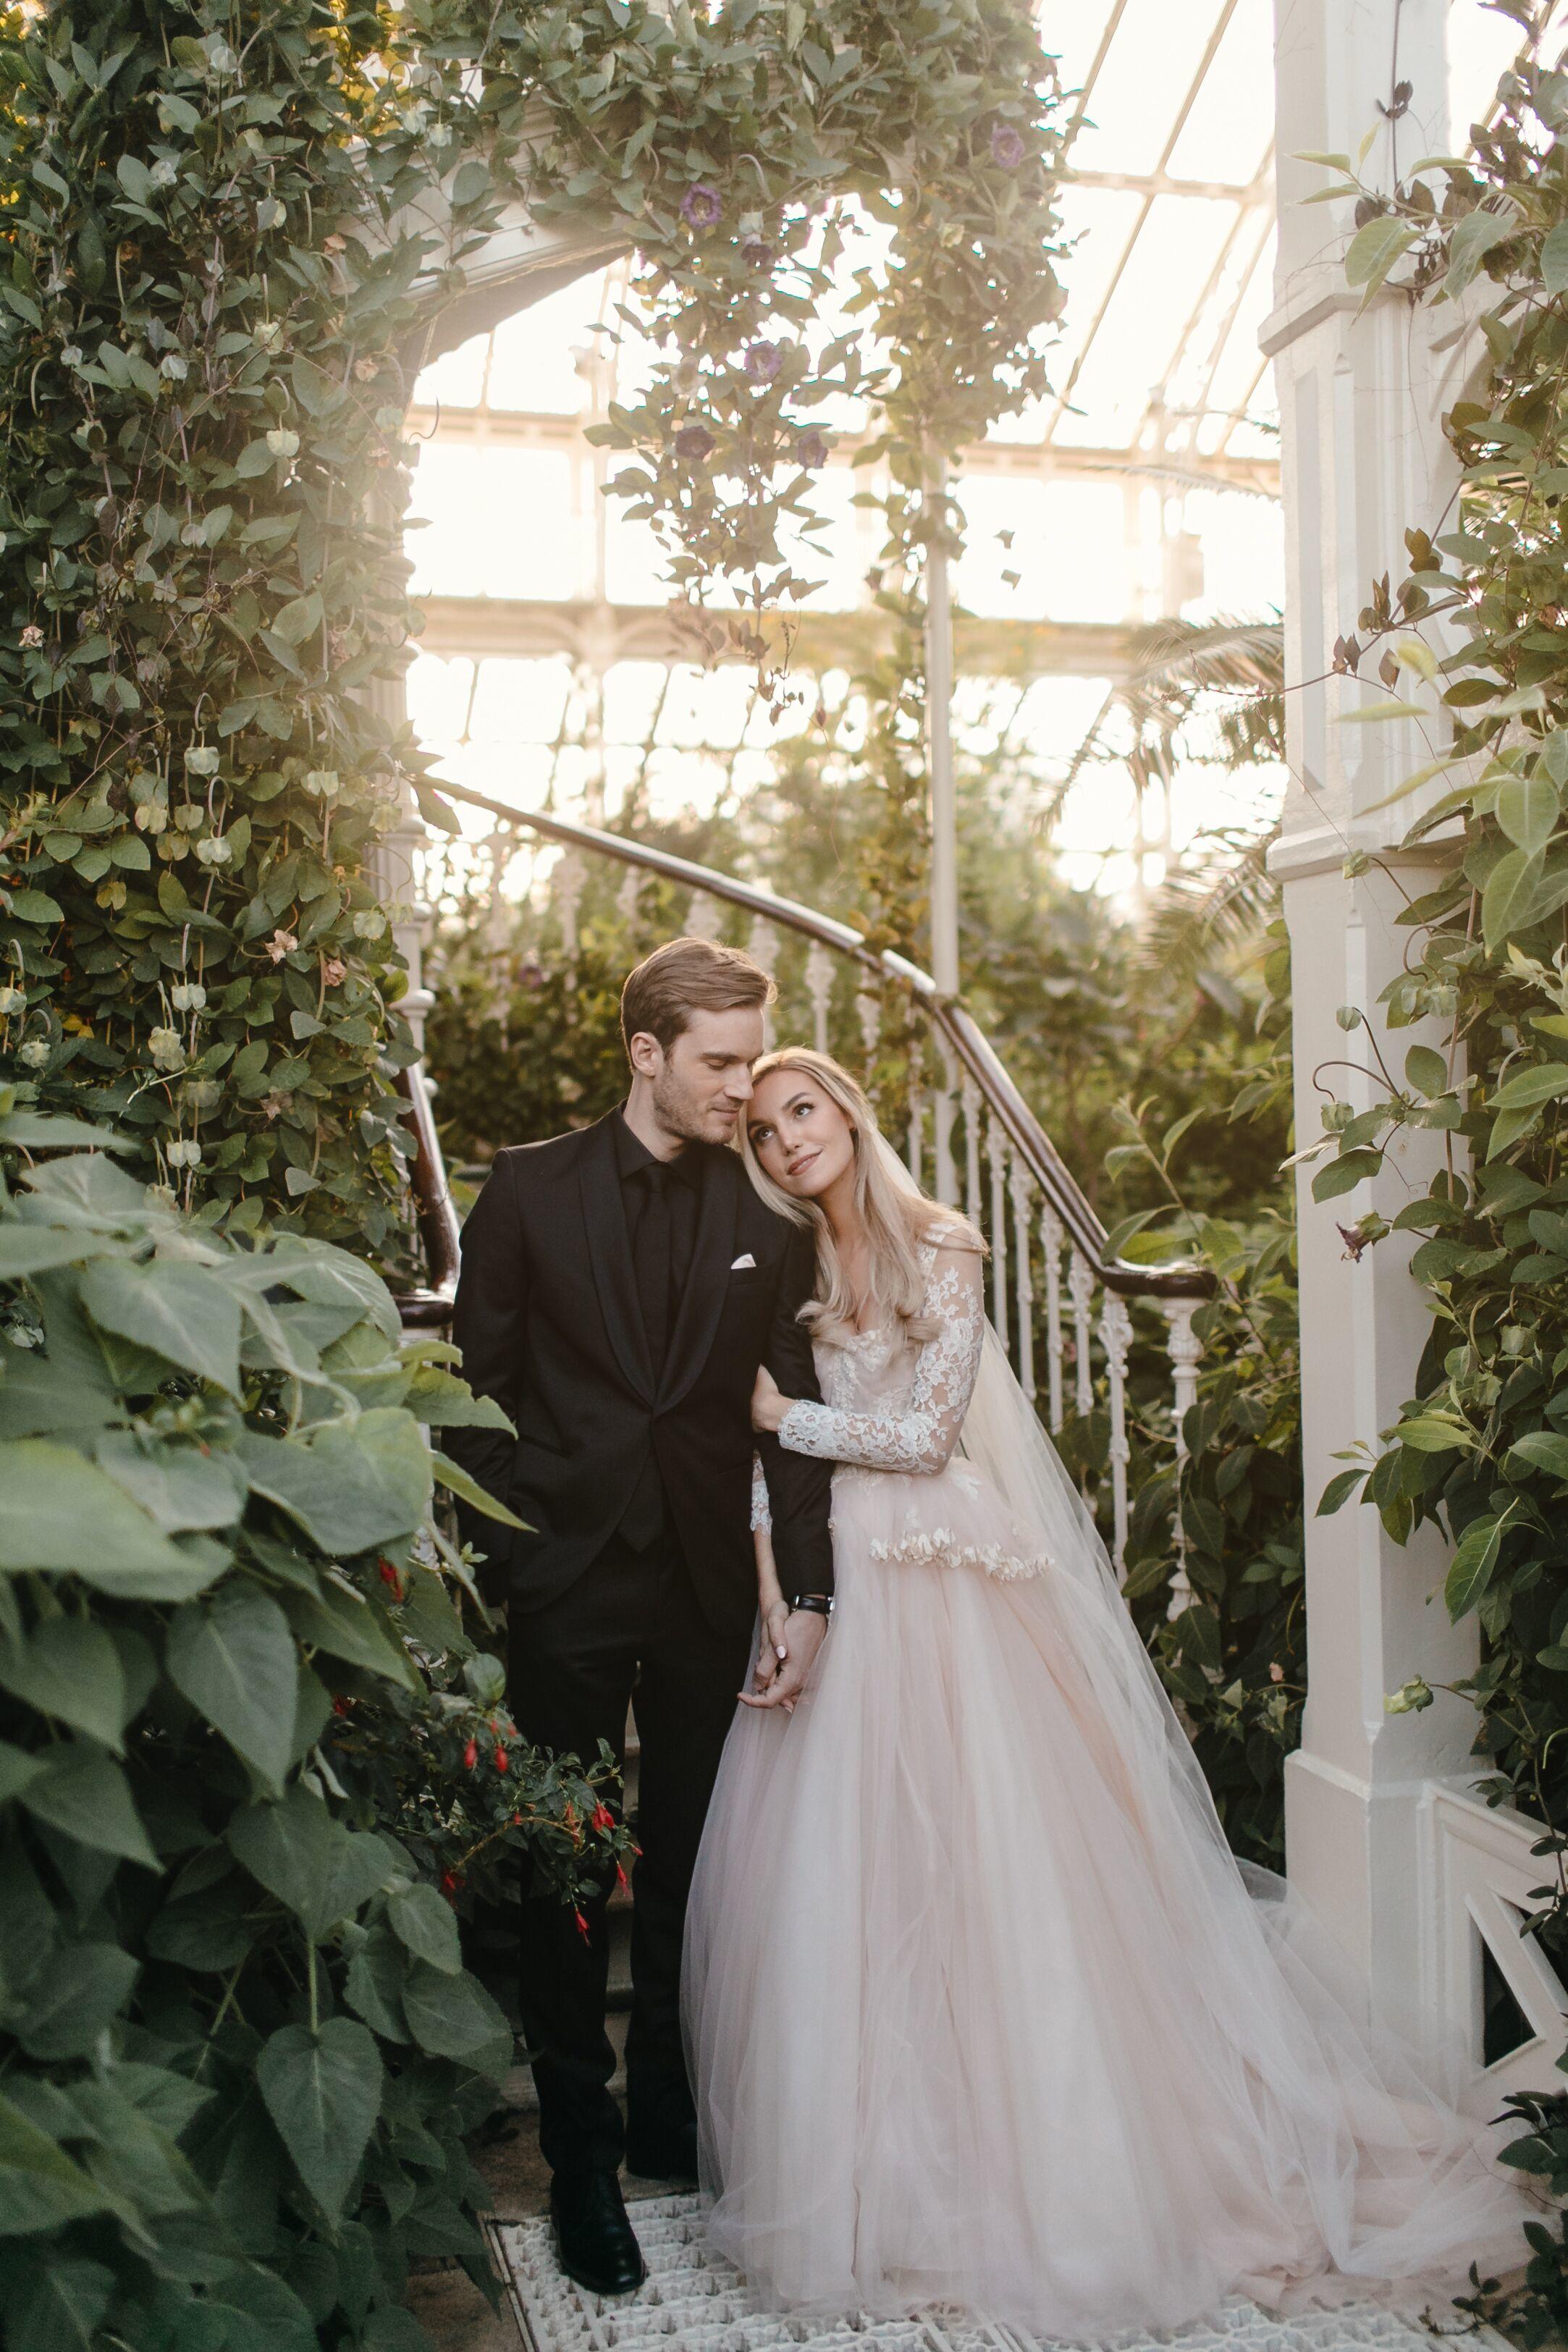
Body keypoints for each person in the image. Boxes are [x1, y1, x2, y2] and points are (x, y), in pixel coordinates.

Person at [683, 1045, 1538, 2338]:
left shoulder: (941, 1241)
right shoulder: (789, 1269)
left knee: (1001, 1871)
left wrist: (787, 1419)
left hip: (950, 1582)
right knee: (862, 1882)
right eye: (760, 1129)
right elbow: (767, 1467)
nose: (786, 1138)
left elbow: (923, 1433)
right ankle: (897, 2179)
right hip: (841, 1585)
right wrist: (772, 1593)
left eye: (801, 1109)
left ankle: (1074, 2164)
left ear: (846, 1111)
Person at [447, 943, 835, 2298]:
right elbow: (473, 1392)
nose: (742, 1086)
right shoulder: (527, 1188)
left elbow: (789, 1421)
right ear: (646, 1053)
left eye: (752, 1058)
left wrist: (809, 1594)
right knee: (564, 1866)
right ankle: (580, 2163)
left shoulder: (768, 1205)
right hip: (564, 1578)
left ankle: (672, 2116)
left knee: (691, 1861)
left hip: (706, 1584)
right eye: (719, 1061)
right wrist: (516, 1557)